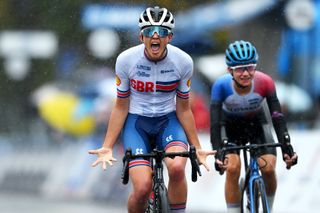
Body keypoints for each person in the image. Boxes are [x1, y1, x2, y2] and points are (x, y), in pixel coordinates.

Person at [88, 6, 215, 213]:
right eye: (149, 32)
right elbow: (121, 107)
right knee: (143, 188)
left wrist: (197, 146)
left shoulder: (183, 62)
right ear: (141, 37)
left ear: (170, 37)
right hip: (137, 124)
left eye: (162, 32)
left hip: (168, 121)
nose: (155, 36)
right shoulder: (126, 60)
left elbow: (183, 109)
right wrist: (107, 146)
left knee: (176, 169)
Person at [210, 40, 298, 212]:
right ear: (230, 70)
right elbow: (215, 123)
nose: (245, 73)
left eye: (249, 67)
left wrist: (286, 146)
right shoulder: (221, 86)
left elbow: (277, 117)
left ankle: (268, 209)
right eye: (239, 69)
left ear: (255, 66)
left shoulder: (265, 82)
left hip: (257, 125)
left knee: (269, 169)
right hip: (230, 129)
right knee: (233, 168)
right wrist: (218, 150)